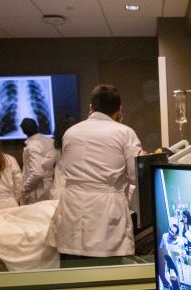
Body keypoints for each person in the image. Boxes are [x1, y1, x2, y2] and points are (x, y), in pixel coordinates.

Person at [47, 84, 142, 257]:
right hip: (105, 210)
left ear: (91, 107)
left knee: (74, 264)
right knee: (107, 267)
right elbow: (135, 173)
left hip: (71, 207)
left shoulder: (70, 133)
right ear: (119, 110)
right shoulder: (125, 133)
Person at [42, 114, 76, 201]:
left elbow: (45, 165)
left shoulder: (57, 148)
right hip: (76, 190)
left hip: (61, 190)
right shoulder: (79, 145)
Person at [20, 117, 53, 204]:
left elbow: (37, 173)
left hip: (36, 192)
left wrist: (24, 188)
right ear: (37, 126)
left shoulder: (32, 147)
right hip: (50, 186)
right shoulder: (51, 141)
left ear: (22, 130)